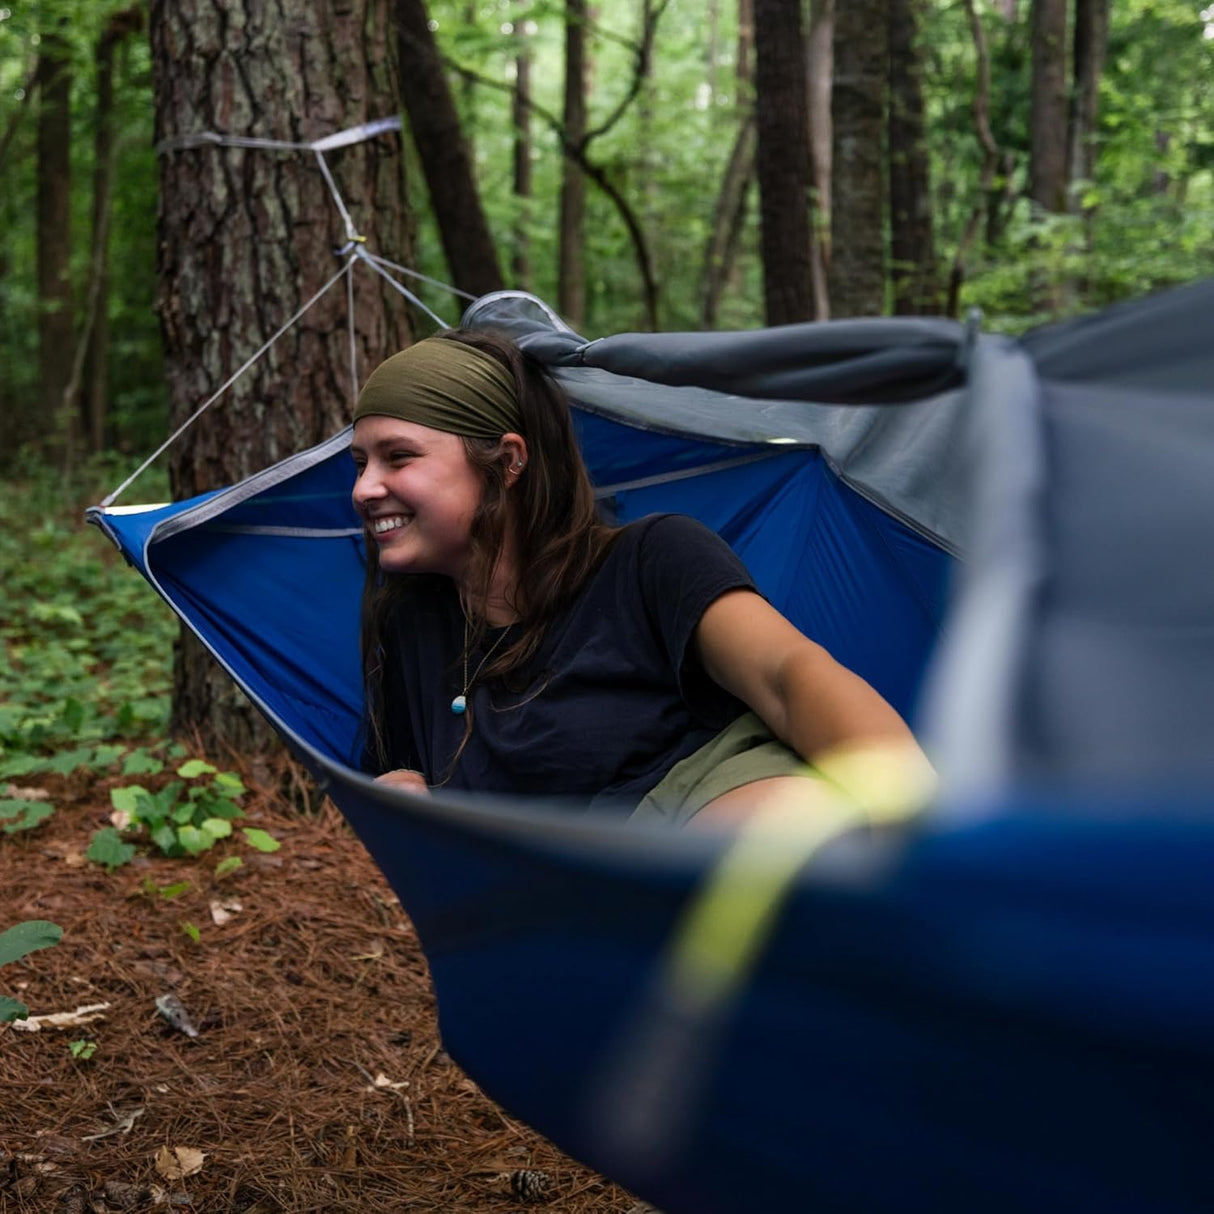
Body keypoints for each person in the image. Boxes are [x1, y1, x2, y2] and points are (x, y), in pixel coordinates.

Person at [354, 330, 931, 827]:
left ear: (508, 461)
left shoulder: (651, 559)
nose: (363, 490)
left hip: (714, 828)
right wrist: (402, 783)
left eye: (399, 458)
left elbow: (789, 678)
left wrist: (918, 827)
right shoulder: (411, 624)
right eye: (360, 465)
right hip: (573, 906)